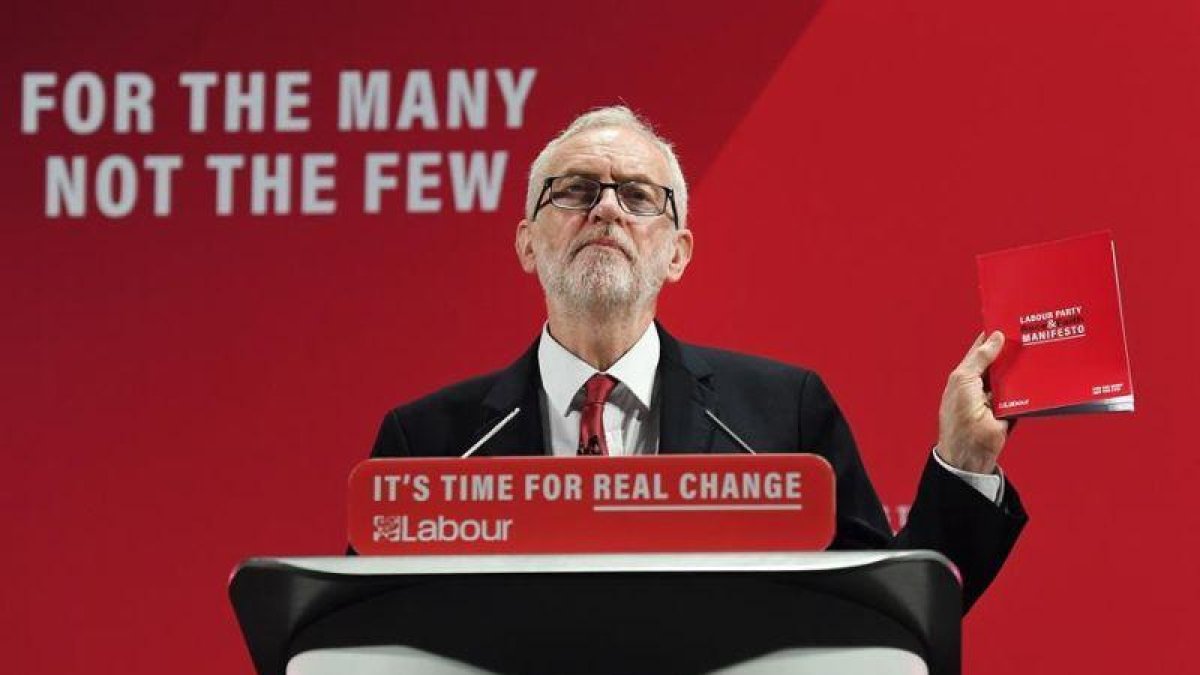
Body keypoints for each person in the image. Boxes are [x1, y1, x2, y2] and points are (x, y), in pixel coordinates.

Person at [370, 105, 1026, 611]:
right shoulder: (429, 442)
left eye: (637, 196)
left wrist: (962, 464)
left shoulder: (781, 414)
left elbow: (885, 617)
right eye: (573, 191)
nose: (604, 209)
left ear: (678, 252)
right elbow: (368, 639)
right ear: (527, 243)